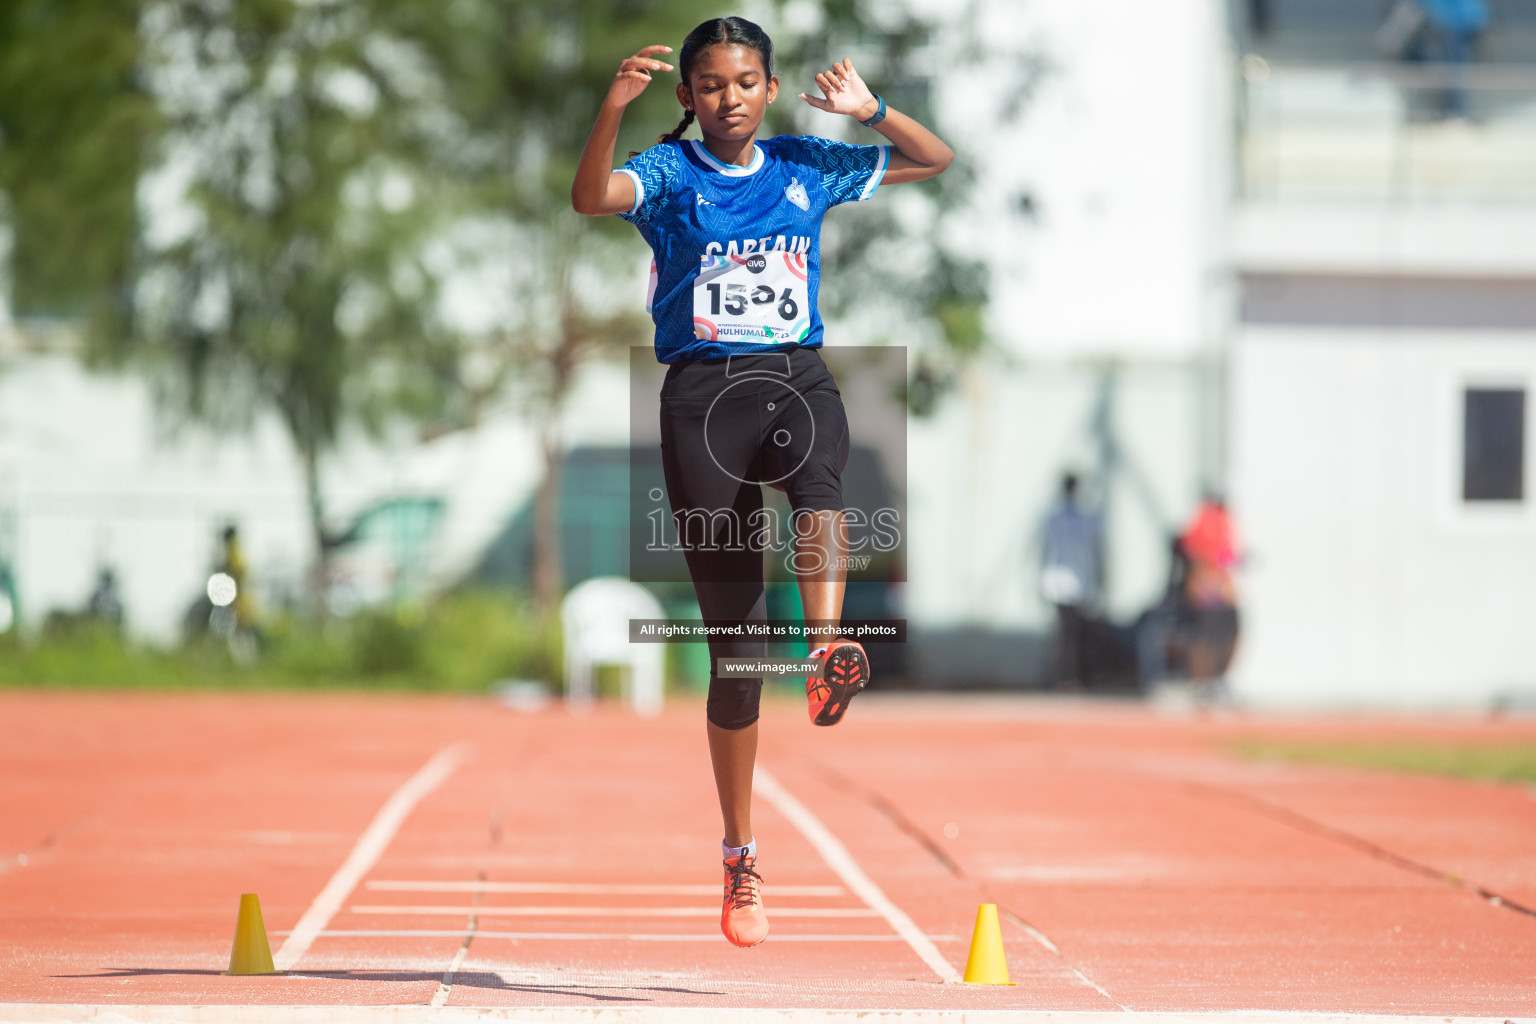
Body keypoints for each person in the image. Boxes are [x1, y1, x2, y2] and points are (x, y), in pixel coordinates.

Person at [572, 17, 951, 947]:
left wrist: (875, 111)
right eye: (710, 86)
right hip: (702, 397)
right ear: (688, 99)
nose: (729, 98)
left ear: (769, 89)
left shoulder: (806, 166)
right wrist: (610, 109)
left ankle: (825, 651)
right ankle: (740, 855)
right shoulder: (666, 178)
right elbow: (588, 198)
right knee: (735, 658)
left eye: (745, 82)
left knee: (824, 485)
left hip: (793, 374)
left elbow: (934, 161)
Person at [1038, 473, 1103, 689]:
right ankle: (1066, 676)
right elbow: (1093, 552)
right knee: (1069, 633)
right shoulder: (1081, 518)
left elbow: (1045, 550)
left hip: (1067, 583)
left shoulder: (1055, 517)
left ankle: (1068, 676)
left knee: (1069, 633)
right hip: (1069, 583)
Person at [1179, 493, 1241, 704]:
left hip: (1223, 587)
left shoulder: (1225, 520)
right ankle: (1200, 682)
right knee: (1205, 634)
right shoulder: (1203, 519)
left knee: (1230, 631)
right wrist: (1205, 578)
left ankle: (1219, 679)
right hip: (1206, 586)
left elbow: (1227, 554)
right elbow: (1192, 550)